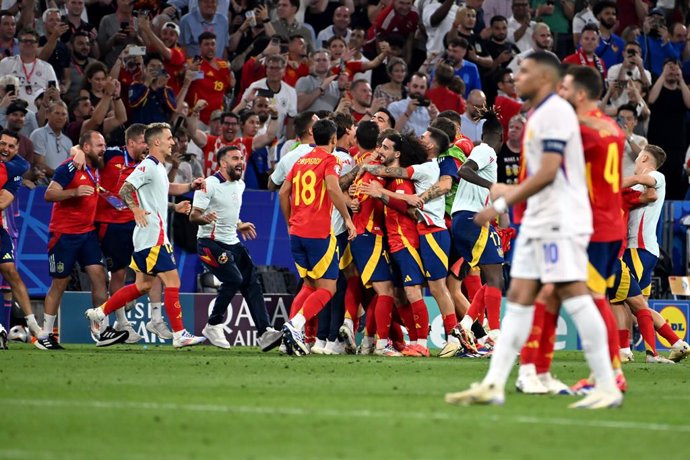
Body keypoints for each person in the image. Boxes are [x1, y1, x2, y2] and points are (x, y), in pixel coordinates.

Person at [445, 52, 622, 409]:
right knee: (522, 298)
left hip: (557, 220)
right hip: (538, 221)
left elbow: (549, 172)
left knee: (575, 293)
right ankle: (494, 382)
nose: (516, 76)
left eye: (523, 70)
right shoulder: (541, 114)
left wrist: (499, 202)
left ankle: (607, 383)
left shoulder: (555, 113)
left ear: (543, 77)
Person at [516, 65, 628, 394]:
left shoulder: (577, 129)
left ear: (579, 94)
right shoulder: (612, 128)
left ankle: (609, 373)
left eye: (563, 88)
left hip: (588, 227)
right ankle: (539, 371)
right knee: (558, 293)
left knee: (589, 299)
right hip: (609, 223)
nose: (558, 94)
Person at [85, 123, 207, 348]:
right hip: (153, 237)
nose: (174, 142)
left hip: (148, 237)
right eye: (170, 138)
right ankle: (180, 334)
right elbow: (125, 190)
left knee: (142, 286)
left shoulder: (158, 167)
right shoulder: (148, 165)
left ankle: (100, 312)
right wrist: (135, 209)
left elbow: (164, 188)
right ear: (157, 142)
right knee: (173, 281)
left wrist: (189, 187)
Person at [190, 145, 283, 351]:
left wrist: (239, 224)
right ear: (223, 163)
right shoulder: (209, 185)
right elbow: (193, 215)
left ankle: (265, 332)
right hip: (209, 244)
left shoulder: (239, 184)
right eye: (234, 158)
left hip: (233, 242)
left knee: (252, 283)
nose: (240, 162)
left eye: (241, 158)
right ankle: (213, 324)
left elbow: (228, 212)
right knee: (234, 279)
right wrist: (203, 218)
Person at [278, 119, 356, 355]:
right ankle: (296, 325)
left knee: (310, 284)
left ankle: (286, 340)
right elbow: (333, 189)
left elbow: (283, 192)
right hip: (318, 233)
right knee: (329, 288)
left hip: (297, 232)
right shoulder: (330, 160)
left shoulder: (300, 161)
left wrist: (290, 221)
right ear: (333, 140)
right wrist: (348, 219)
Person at [37, 131, 113, 350]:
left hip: (87, 234)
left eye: (104, 144)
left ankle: (101, 327)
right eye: (99, 145)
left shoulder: (95, 165)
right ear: (87, 148)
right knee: (59, 283)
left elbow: (81, 149)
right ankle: (45, 335)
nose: (103, 149)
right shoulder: (69, 167)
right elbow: (49, 194)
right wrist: (75, 192)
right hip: (64, 235)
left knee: (99, 276)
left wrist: (78, 150)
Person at [452, 108, 505, 345]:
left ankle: (464, 326)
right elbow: (463, 170)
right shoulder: (486, 151)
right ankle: (494, 335)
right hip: (470, 219)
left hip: (468, 220)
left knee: (491, 277)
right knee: (496, 278)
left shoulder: (485, 155)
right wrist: (491, 186)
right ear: (500, 137)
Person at [0, 129, 41, 339]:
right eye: (2, 144)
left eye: (10, 146)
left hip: (5, 229)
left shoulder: (17, 167)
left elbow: (3, 201)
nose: (5, 149)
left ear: (17, 149)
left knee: (9, 279)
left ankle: (21, 327)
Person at [0, 29, 58, 111]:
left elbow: (55, 95)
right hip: (11, 114)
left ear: (37, 44)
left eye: (32, 41)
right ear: (18, 44)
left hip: (40, 115)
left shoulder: (47, 67)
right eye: (25, 41)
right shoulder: (6, 63)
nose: (28, 43)